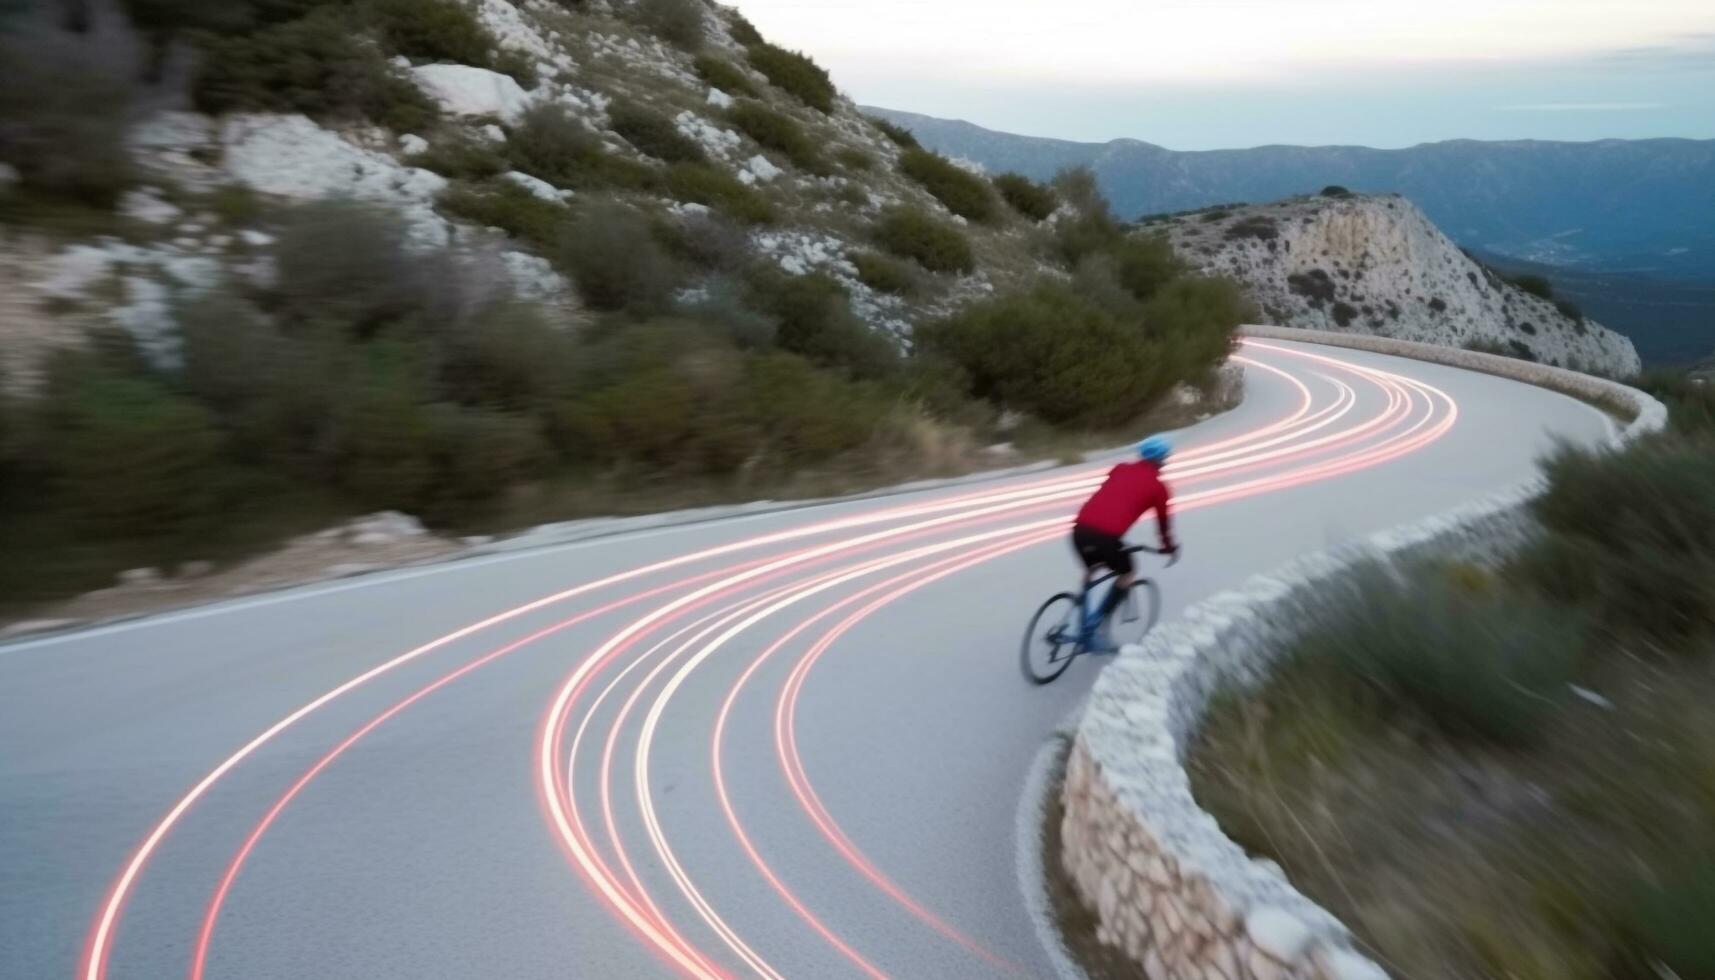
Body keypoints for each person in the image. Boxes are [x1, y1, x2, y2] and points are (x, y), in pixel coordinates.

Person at [1069, 436, 1179, 651]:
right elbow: (1163, 523)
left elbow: (1113, 496)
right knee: (1127, 574)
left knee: (1093, 566)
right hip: (1107, 537)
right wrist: (1168, 546)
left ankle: (1082, 611)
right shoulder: (1159, 488)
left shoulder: (1119, 469)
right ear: (1163, 459)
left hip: (1079, 530)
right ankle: (1095, 630)